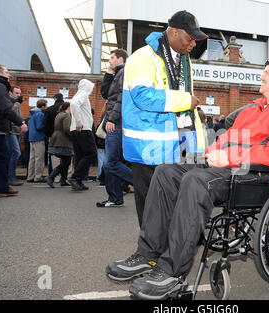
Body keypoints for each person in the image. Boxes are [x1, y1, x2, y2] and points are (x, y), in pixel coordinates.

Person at [106, 55, 269, 300]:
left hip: (259, 176)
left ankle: (173, 273)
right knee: (166, 171)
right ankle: (148, 253)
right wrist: (210, 154)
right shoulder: (254, 109)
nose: (262, 76)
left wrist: (229, 157)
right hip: (231, 168)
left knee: (196, 181)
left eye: (266, 72)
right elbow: (227, 140)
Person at [120, 10, 207, 225]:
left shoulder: (184, 60)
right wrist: (186, 101)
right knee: (151, 205)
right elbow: (142, 97)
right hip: (150, 145)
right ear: (174, 32)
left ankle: (183, 239)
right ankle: (151, 252)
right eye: (190, 38)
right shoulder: (143, 57)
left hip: (182, 142)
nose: (194, 44)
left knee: (181, 198)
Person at [96, 49, 134, 207]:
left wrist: (112, 119)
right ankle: (115, 198)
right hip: (114, 122)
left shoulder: (125, 72)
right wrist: (108, 73)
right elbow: (106, 94)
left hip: (117, 123)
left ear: (121, 59)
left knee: (110, 163)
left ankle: (144, 183)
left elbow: (121, 97)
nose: (109, 60)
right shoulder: (117, 73)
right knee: (111, 162)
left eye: (112, 58)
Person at [0, 64, 28, 198]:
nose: (9, 75)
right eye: (6, 72)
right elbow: (6, 108)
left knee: (3, 157)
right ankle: (2, 187)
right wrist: (20, 122)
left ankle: (2, 188)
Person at [68, 79, 97, 192]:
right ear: (87, 87)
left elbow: (74, 105)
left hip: (75, 130)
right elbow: (74, 104)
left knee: (80, 156)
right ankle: (75, 178)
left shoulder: (79, 94)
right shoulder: (83, 94)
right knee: (91, 153)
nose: (92, 90)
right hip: (83, 129)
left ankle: (78, 181)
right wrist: (79, 123)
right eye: (91, 87)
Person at [46, 102, 73, 188]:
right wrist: (73, 137)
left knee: (64, 160)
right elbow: (66, 128)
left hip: (56, 138)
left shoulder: (59, 114)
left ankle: (63, 180)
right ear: (68, 107)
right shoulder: (66, 115)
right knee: (66, 161)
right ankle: (51, 177)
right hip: (64, 140)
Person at [44, 93, 65, 175]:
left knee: (53, 155)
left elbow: (46, 124)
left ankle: (53, 174)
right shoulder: (67, 108)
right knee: (65, 155)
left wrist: (48, 134)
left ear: (55, 99)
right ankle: (64, 176)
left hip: (53, 135)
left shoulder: (49, 109)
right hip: (65, 136)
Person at [27, 99, 47, 183]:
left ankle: (30, 176)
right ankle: (38, 177)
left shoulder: (32, 113)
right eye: (46, 105)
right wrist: (46, 127)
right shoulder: (40, 114)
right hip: (39, 138)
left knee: (32, 158)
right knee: (39, 158)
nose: (46, 106)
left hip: (31, 137)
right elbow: (39, 127)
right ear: (42, 106)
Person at [7, 86, 24, 186]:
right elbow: (12, 115)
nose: (18, 95)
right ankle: (11, 177)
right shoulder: (12, 102)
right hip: (11, 131)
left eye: (19, 93)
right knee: (16, 153)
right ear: (10, 93)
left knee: (10, 154)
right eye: (16, 93)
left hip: (16, 131)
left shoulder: (17, 103)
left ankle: (9, 177)